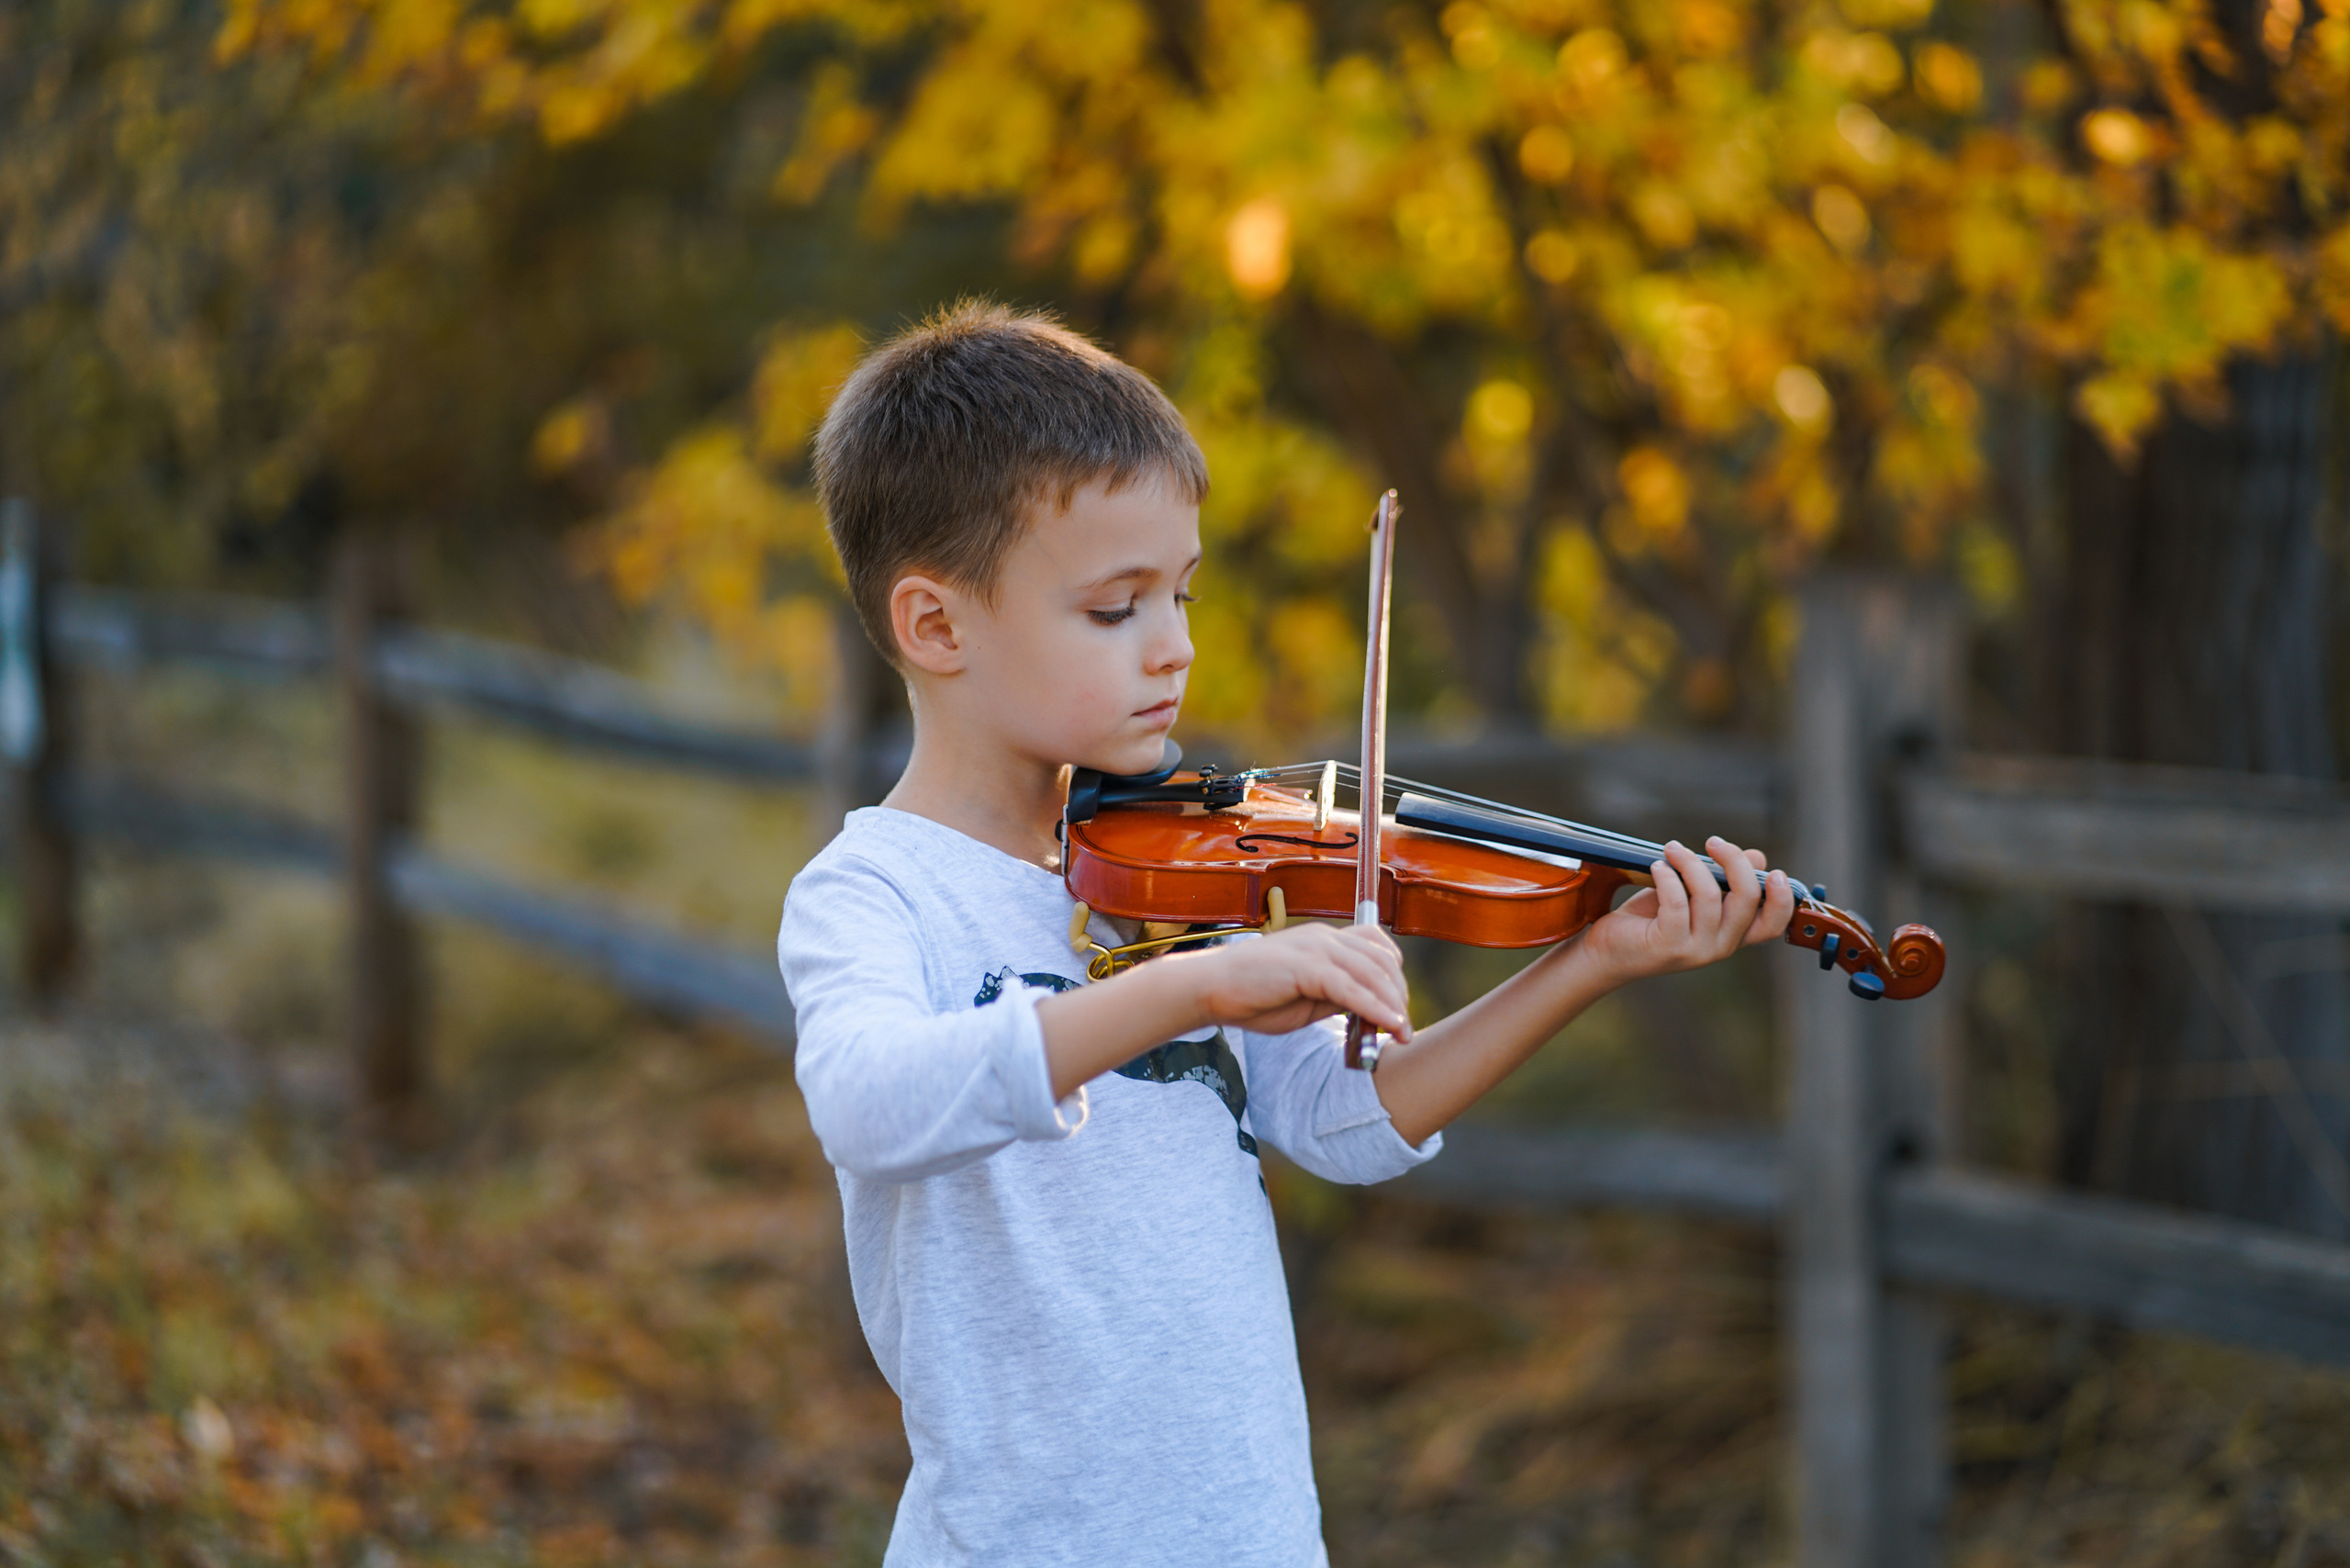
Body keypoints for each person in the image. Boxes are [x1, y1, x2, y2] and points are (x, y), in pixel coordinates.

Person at [778, 300, 1796, 1567]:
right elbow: (868, 1106)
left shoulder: (1187, 875)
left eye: (1182, 596)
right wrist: (1197, 990)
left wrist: (1591, 958)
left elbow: (1345, 1122)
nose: (1177, 648)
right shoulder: (877, 892)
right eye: (1116, 609)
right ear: (937, 626)